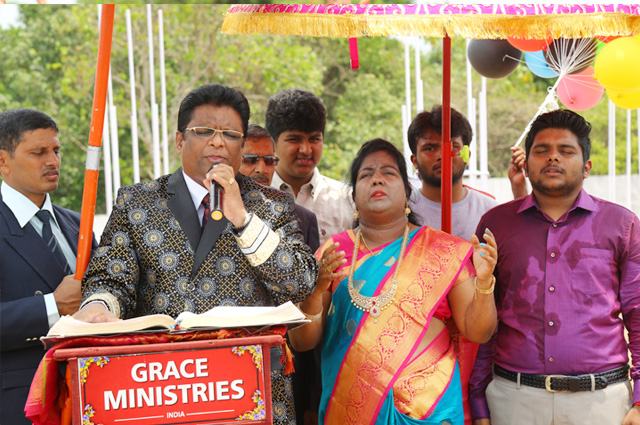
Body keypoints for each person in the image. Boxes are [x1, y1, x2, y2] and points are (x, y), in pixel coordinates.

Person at [74, 84, 319, 425]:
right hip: (164, 389)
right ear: (179, 141)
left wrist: (244, 220)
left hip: (251, 392)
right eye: (204, 131)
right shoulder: (137, 202)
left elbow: (301, 284)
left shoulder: (271, 205)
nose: (217, 142)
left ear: (241, 144)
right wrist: (99, 307)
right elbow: (110, 276)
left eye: (230, 134)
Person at [289, 138, 498, 425]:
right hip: (349, 410)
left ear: (407, 193)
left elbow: (479, 332)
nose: (377, 179)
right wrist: (313, 294)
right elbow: (301, 342)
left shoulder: (444, 250)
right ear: (354, 197)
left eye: (389, 173)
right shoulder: (332, 253)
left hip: (427, 412)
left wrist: (485, 283)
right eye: (366, 174)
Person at [469, 109, 640, 425]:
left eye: (566, 150)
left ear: (586, 167)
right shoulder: (495, 225)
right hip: (514, 400)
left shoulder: (622, 225)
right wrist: (478, 400)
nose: (552, 158)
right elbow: (484, 320)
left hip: (601, 403)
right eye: (542, 150)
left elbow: (638, 313)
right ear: (527, 163)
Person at [0, 108, 95, 425]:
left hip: (90, 394)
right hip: (22, 403)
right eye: (38, 152)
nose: (53, 161)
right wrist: (51, 307)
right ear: (3, 161)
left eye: (56, 150)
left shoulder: (77, 225)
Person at [265, 88, 354, 245]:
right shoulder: (254, 197)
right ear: (272, 142)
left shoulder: (347, 199)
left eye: (314, 139)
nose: (306, 149)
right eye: (294, 139)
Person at [408, 105, 498, 241]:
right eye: (430, 148)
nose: (441, 155)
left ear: (467, 155)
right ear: (414, 160)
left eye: (453, 146)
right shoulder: (402, 212)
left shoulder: (491, 212)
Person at [240, 123, 320, 252]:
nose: (262, 169)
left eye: (269, 161)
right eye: (250, 160)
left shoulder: (303, 219)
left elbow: (311, 271)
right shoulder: (214, 210)